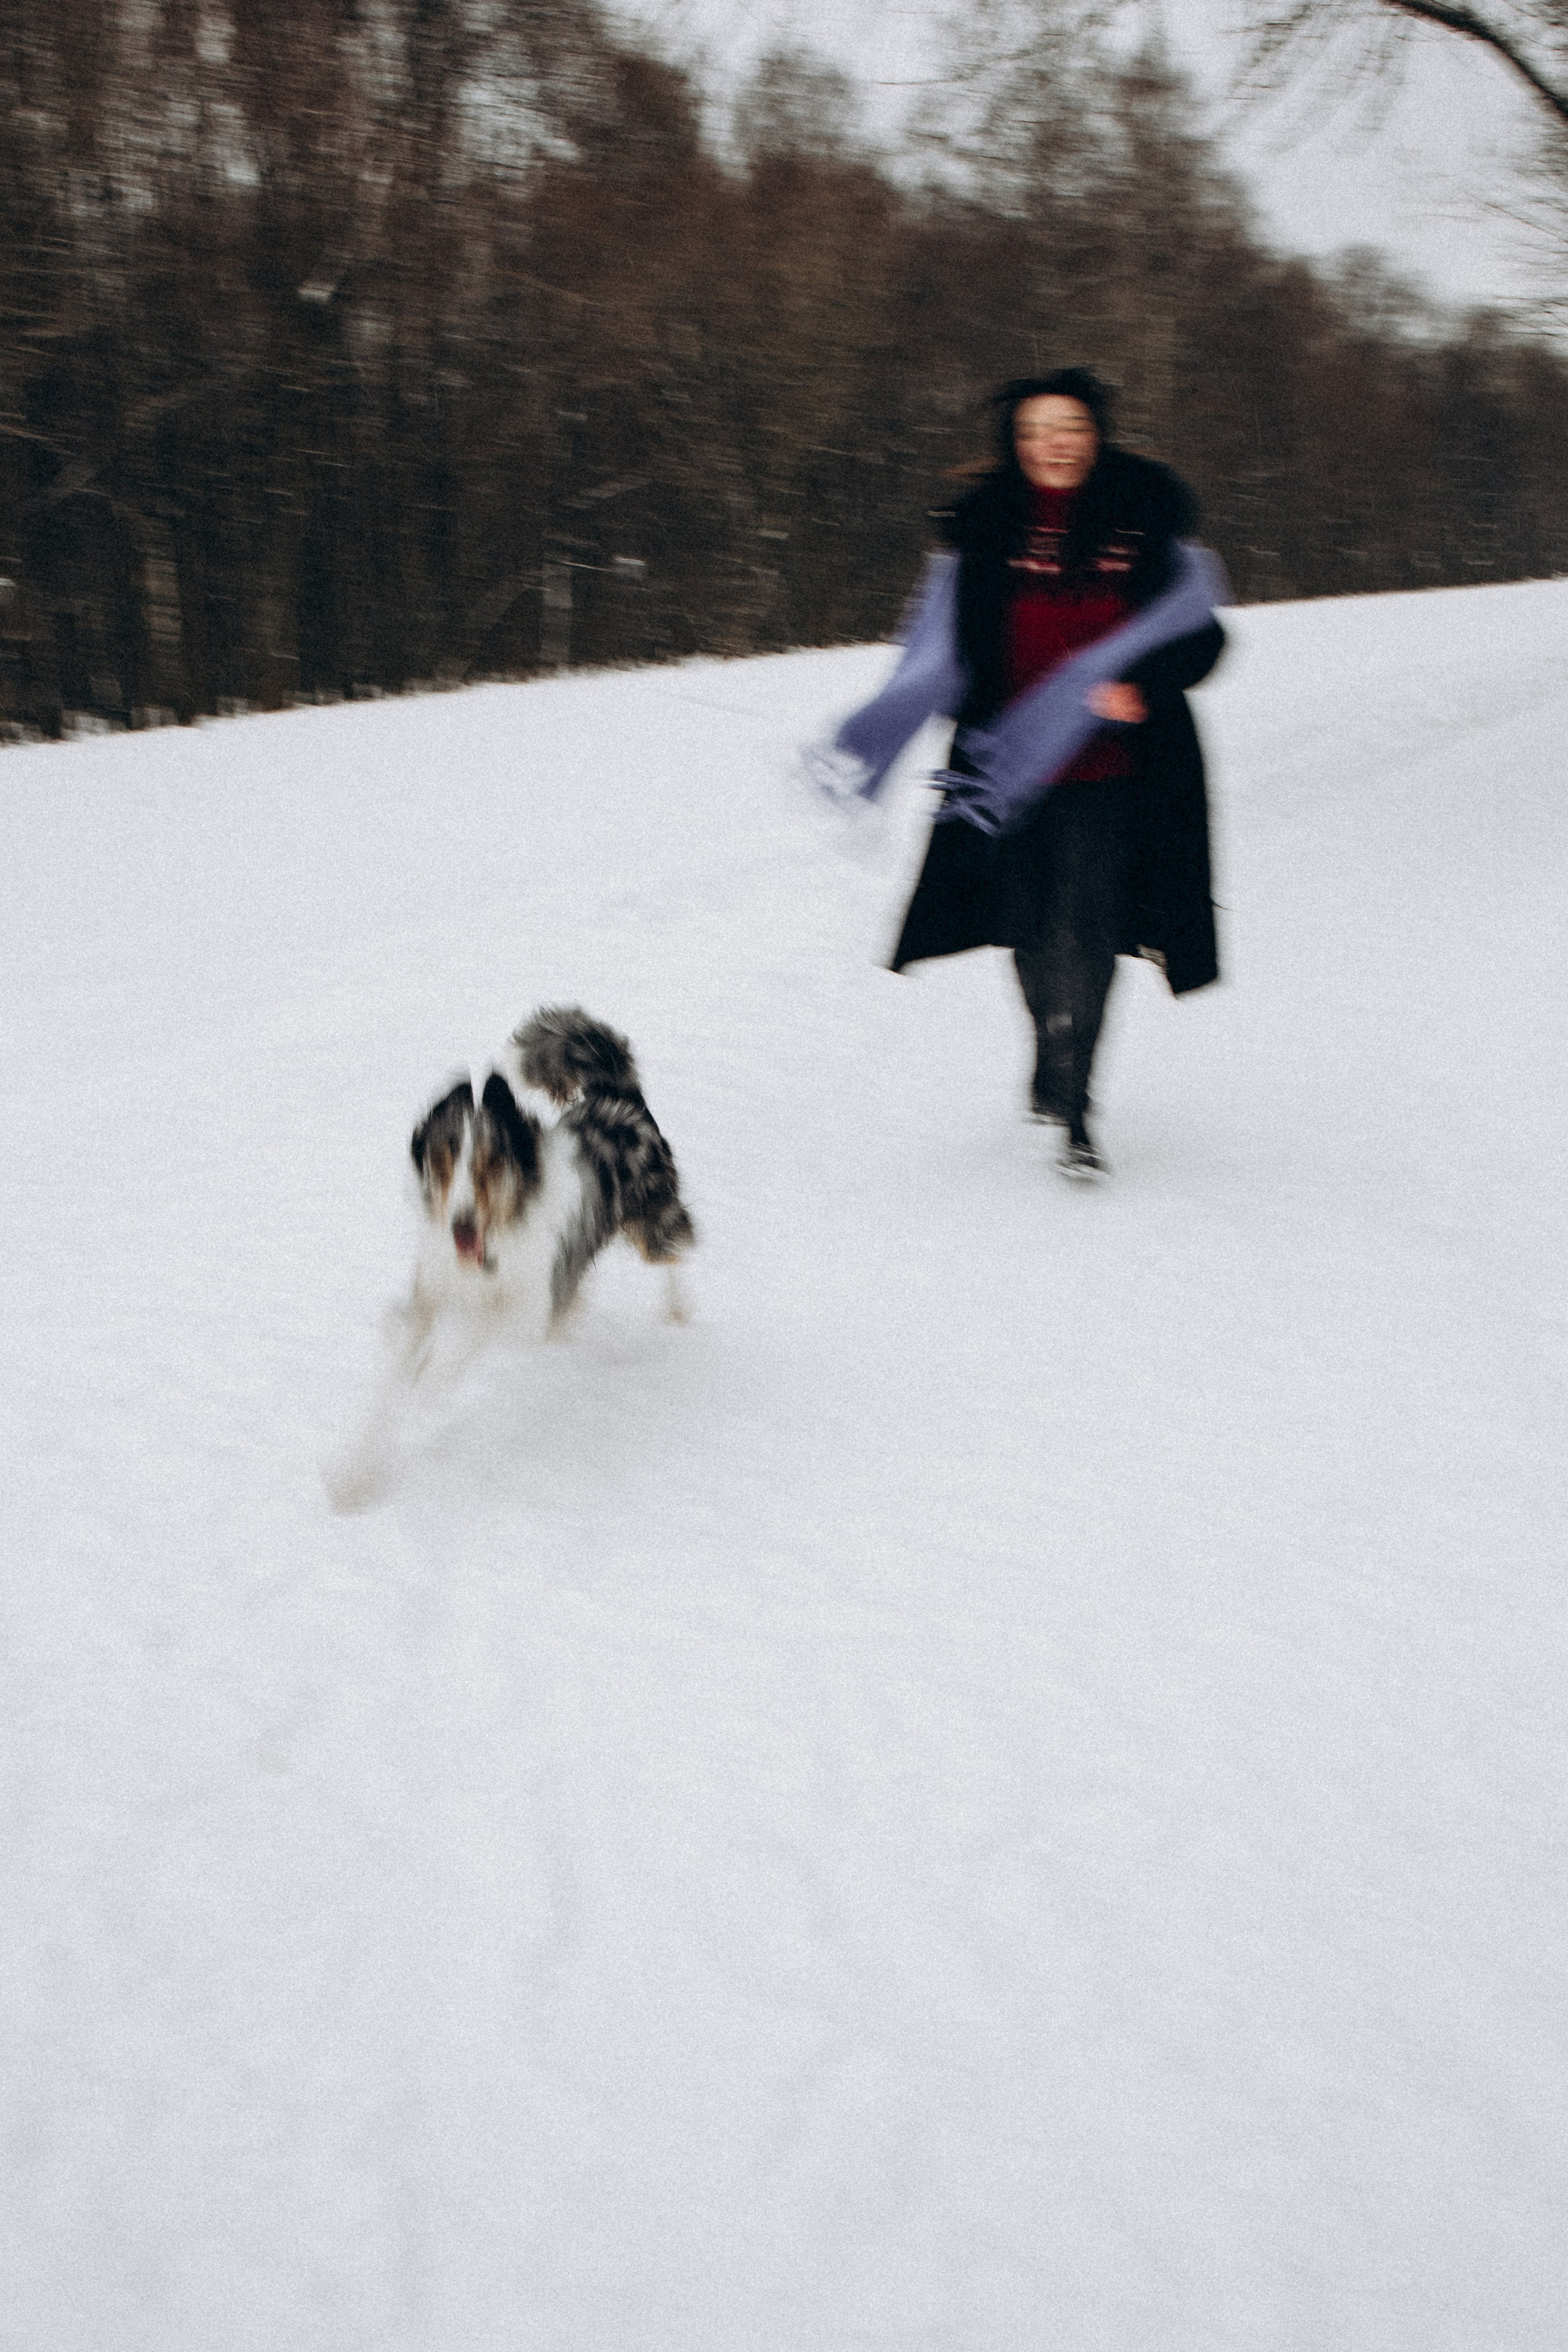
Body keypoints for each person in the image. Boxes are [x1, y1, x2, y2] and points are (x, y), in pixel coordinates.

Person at [886, 369, 1224, 1179]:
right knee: (1029, 926)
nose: (1056, 443)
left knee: (1095, 925)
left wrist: (1144, 685)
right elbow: (946, 650)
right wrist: (938, 699)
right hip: (1009, 767)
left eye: (1070, 427)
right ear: (1017, 443)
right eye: (1039, 430)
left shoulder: (1144, 524)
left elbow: (1202, 638)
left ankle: (1076, 1106)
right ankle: (1050, 1047)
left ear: (1096, 434)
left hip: (1120, 770)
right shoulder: (983, 531)